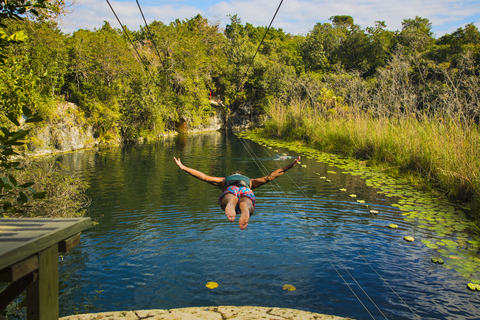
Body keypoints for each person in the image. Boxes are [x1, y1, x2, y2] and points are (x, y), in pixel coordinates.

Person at [173, 156, 300, 230]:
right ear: (242, 176)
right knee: (248, 202)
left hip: (230, 189)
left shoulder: (223, 181)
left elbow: (203, 176)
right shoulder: (250, 182)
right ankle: (245, 207)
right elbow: (270, 177)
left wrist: (184, 167)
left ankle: (231, 201)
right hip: (245, 189)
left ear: (231, 176)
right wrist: (289, 166)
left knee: (227, 197)